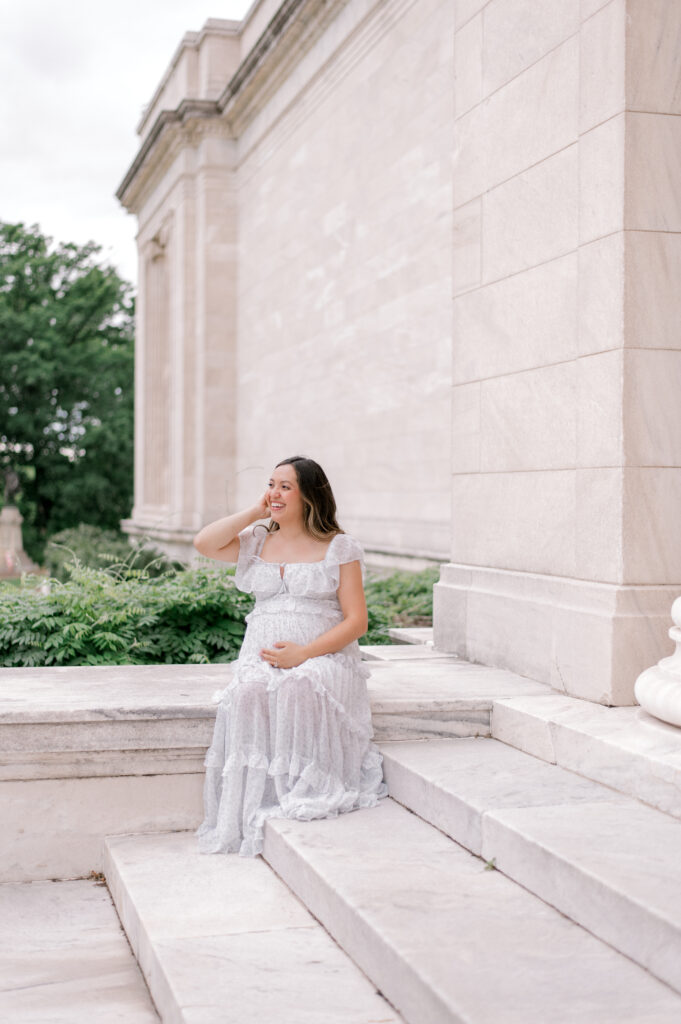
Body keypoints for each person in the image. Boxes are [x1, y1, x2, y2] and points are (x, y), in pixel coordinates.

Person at [193, 455, 388, 857]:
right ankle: (254, 801)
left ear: (310, 494)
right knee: (246, 694)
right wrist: (255, 511)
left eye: (285, 486)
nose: (275, 493)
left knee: (301, 685)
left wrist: (303, 655)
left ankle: (307, 788)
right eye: (271, 484)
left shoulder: (339, 546)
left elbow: (357, 622)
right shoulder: (257, 541)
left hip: (324, 658)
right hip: (261, 657)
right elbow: (204, 543)